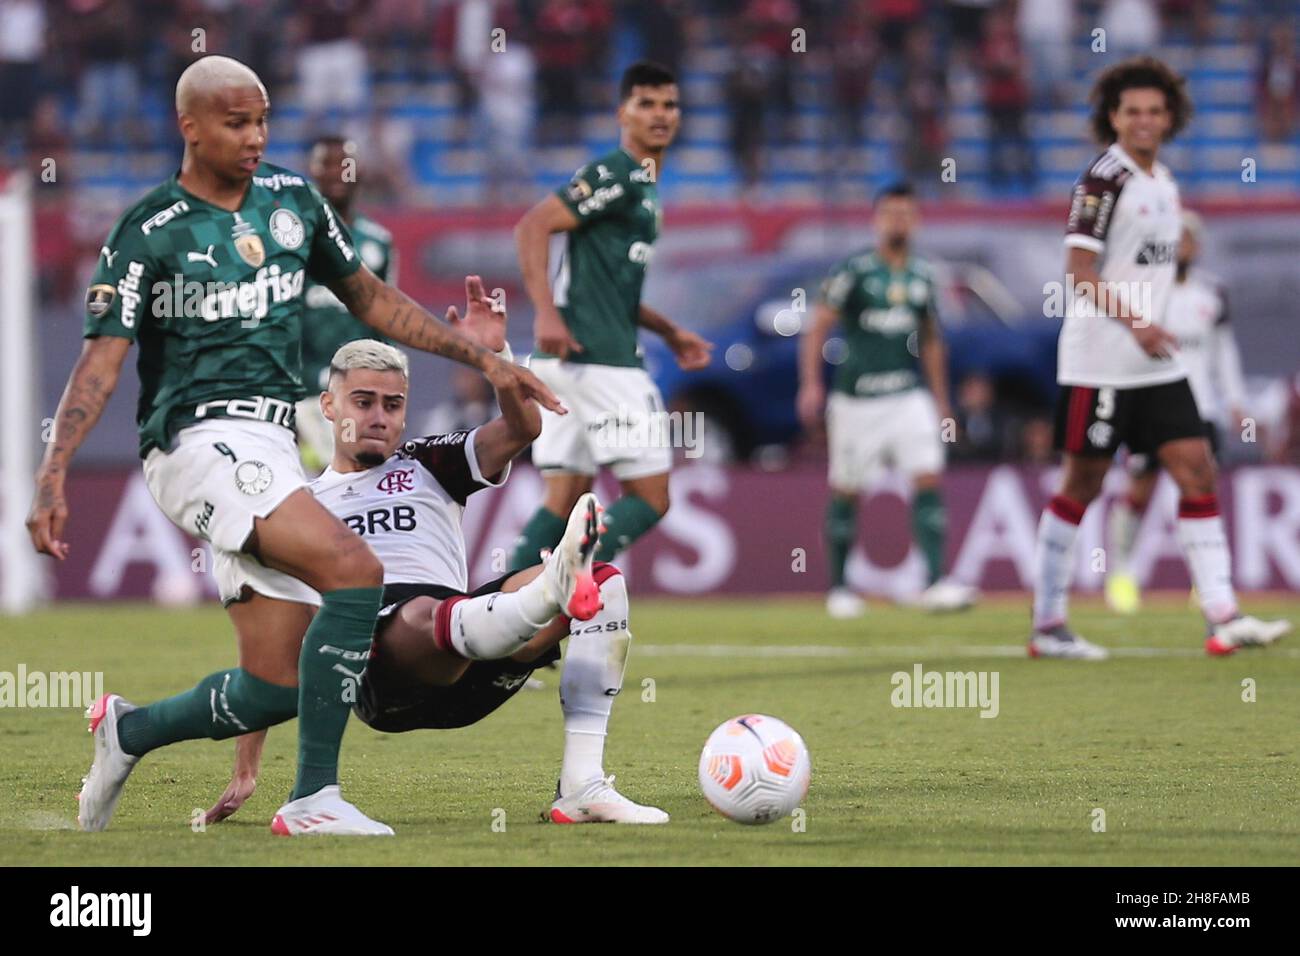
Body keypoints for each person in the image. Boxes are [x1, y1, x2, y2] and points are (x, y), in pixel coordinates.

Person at [26, 55, 561, 835]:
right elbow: (101, 361)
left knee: (280, 682)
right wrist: (52, 472)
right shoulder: (148, 231)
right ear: (190, 127)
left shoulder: (292, 202)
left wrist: (479, 355)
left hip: (274, 447)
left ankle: (127, 732)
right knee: (354, 568)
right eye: (236, 123)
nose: (255, 137)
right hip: (196, 442)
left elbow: (370, 299)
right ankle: (313, 800)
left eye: (263, 120)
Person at [205, 299, 668, 827]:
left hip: (473, 651)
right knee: (428, 611)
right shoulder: (298, 508)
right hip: (383, 672)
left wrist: (494, 355)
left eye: (393, 404)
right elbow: (270, 642)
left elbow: (523, 429)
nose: (379, 417)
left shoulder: (428, 462)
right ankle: (549, 591)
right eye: (363, 402)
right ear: (328, 406)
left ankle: (582, 785)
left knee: (605, 584)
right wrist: (246, 767)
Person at [1028, 57, 1290, 659]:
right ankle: (1048, 623)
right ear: (1113, 118)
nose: (1143, 121)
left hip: (1156, 361)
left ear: (1169, 117)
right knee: (1083, 483)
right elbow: (1078, 272)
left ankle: (1223, 614)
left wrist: (1154, 330)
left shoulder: (1165, 184)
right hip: (1100, 361)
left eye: (1153, 111)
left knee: (1197, 468)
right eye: (1131, 112)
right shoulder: (1101, 180)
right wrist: (1138, 323)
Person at [509, 60, 711, 573]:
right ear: (623, 112)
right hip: (602, 362)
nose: (660, 114)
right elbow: (533, 226)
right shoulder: (617, 173)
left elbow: (612, 290)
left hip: (568, 362)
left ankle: (499, 618)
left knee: (564, 496)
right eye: (646, 103)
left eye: (669, 104)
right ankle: (568, 580)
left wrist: (670, 330)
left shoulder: (644, 189)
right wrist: (546, 314)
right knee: (650, 496)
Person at [798, 182, 978, 617]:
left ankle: (934, 582)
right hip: (857, 399)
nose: (898, 221)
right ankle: (839, 589)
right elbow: (818, 325)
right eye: (890, 213)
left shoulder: (923, 274)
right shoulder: (855, 271)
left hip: (907, 395)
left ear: (916, 220)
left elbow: (932, 339)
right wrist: (811, 384)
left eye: (906, 213)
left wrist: (940, 400)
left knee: (928, 476)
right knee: (847, 488)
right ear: (876, 219)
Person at [1104, 211, 1248, 614]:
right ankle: (1121, 572)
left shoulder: (1212, 294)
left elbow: (1225, 351)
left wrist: (1235, 399)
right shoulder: (1147, 292)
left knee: (1200, 491)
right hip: (1152, 405)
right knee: (1140, 490)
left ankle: (1207, 584)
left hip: (1201, 409)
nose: (1182, 247)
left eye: (1188, 240)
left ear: (1197, 246)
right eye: (1176, 239)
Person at [296, 134, 396, 474]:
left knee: (358, 494)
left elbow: (385, 325)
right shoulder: (293, 243)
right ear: (312, 173)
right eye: (327, 164)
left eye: (346, 164)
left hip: (360, 395)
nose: (338, 172)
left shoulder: (378, 243)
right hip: (305, 394)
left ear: (360, 172)